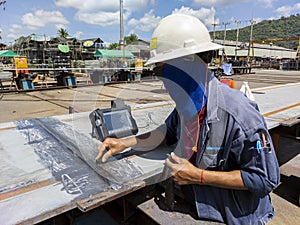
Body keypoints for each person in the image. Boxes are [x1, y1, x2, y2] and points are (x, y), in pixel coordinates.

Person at [96, 14, 280, 225]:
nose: (162, 81)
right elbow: (165, 132)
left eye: (161, 70)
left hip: (232, 215)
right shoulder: (187, 105)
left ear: (187, 65)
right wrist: (125, 143)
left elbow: (265, 179)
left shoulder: (238, 114)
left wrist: (198, 176)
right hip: (198, 200)